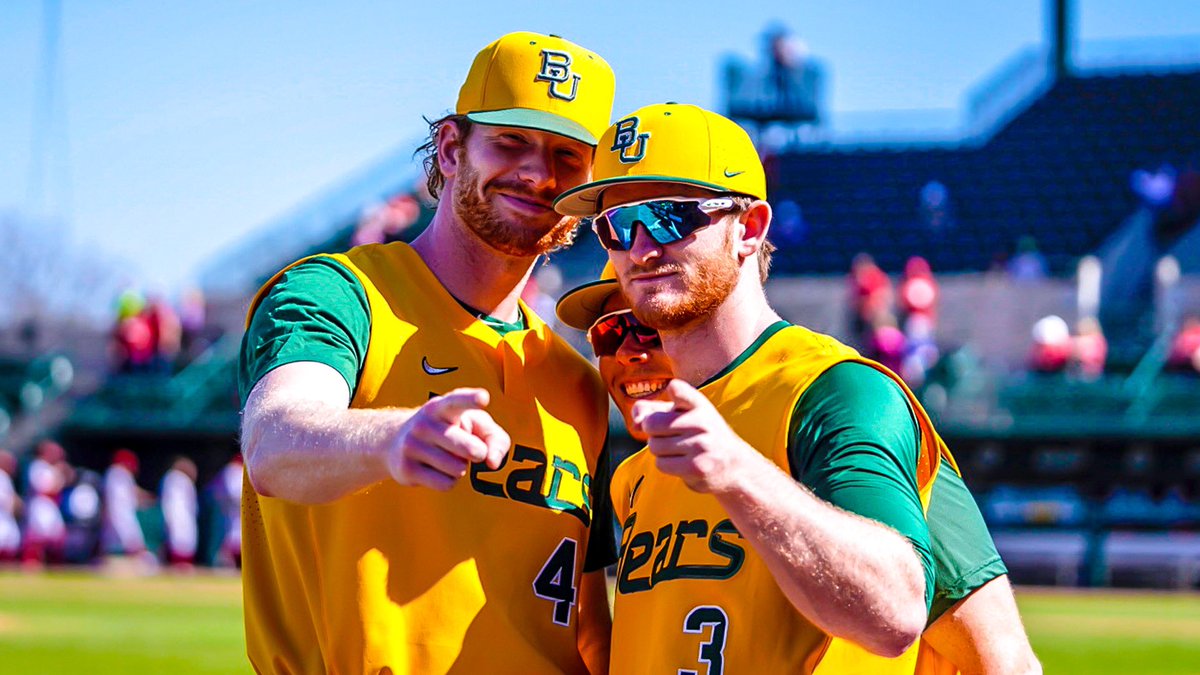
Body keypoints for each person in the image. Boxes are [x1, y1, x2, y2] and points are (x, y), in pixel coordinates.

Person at [553, 102, 1036, 672]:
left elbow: (906, 619)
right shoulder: (637, 471)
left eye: (668, 216)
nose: (639, 247)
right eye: (614, 226)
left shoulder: (837, 392)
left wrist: (737, 472)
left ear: (750, 229)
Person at [237, 32, 616, 674]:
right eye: (511, 141)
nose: (537, 173)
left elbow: (585, 622)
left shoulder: (579, 383)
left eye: (567, 156)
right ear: (449, 147)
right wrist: (392, 439)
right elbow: (275, 441)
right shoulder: (339, 291)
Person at [161, 456, 199, 567]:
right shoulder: (176, 478)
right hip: (178, 517)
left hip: (184, 518)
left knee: (185, 546)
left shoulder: (179, 479)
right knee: (179, 545)